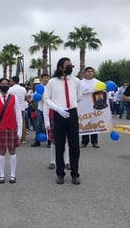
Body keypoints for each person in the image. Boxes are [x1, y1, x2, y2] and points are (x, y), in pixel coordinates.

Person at [44, 57, 82, 185]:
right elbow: (46, 98)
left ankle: (75, 173)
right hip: (58, 113)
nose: (70, 67)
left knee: (74, 145)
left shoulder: (76, 81)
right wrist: (57, 108)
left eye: (72, 65)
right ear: (61, 67)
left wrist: (71, 105)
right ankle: (60, 173)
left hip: (71, 113)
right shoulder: (52, 82)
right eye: (68, 65)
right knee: (59, 145)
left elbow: (79, 97)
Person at [0, 78, 22, 184]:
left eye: (6, 84)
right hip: (0, 128)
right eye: (2, 84)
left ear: (9, 85)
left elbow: (18, 115)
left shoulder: (14, 98)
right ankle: (1, 174)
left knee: (12, 151)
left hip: (12, 127)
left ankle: (13, 174)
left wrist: (19, 130)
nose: (4, 85)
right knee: (2, 152)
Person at [80, 67, 100, 148]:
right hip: (84, 108)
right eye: (88, 71)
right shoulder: (80, 83)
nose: (90, 73)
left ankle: (94, 142)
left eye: (91, 71)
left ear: (93, 73)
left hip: (95, 107)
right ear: (85, 73)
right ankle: (84, 142)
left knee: (94, 124)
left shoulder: (98, 82)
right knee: (84, 124)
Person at [9, 76, 27, 144]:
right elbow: (25, 97)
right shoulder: (23, 89)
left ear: (13, 81)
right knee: (22, 123)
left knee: (14, 123)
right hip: (22, 107)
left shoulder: (10, 89)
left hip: (13, 108)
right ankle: (23, 139)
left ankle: (15, 137)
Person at [30, 77, 44, 147]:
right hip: (40, 109)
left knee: (47, 125)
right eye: (35, 84)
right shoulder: (36, 91)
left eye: (37, 83)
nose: (36, 85)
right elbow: (34, 100)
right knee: (38, 125)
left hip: (47, 109)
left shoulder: (46, 88)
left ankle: (50, 141)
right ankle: (37, 141)